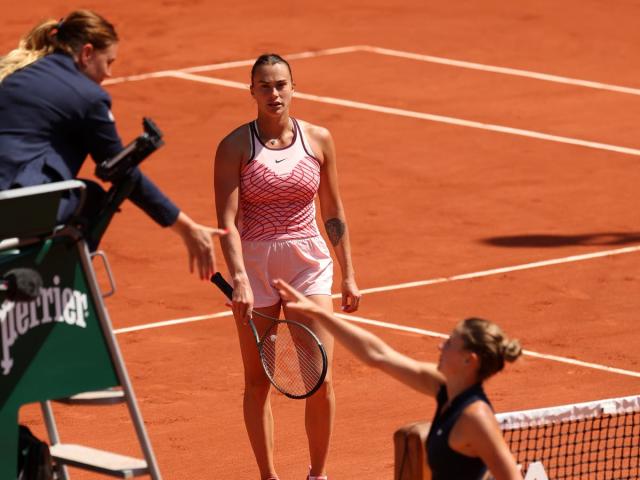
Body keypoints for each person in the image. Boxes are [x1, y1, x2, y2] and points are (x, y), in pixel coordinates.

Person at [214, 53, 361, 480]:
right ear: (252, 92)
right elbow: (226, 222)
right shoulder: (234, 146)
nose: (274, 93)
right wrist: (239, 278)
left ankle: (319, 475)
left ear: (293, 87)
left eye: (281, 85)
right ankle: (269, 476)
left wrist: (347, 271)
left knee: (320, 377)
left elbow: (332, 209)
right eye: (265, 86)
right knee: (259, 382)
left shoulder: (319, 139)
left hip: (308, 266)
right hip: (255, 266)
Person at [0, 10, 225, 278]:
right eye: (108, 62)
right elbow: (121, 171)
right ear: (86, 53)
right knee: (94, 196)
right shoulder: (89, 96)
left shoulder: (19, 75)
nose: (109, 72)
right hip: (13, 210)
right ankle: (54, 280)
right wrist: (185, 226)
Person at [274, 279, 524, 480]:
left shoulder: (475, 417)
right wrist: (319, 314)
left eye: (449, 343)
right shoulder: (445, 388)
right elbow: (378, 355)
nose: (440, 346)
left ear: (469, 360)